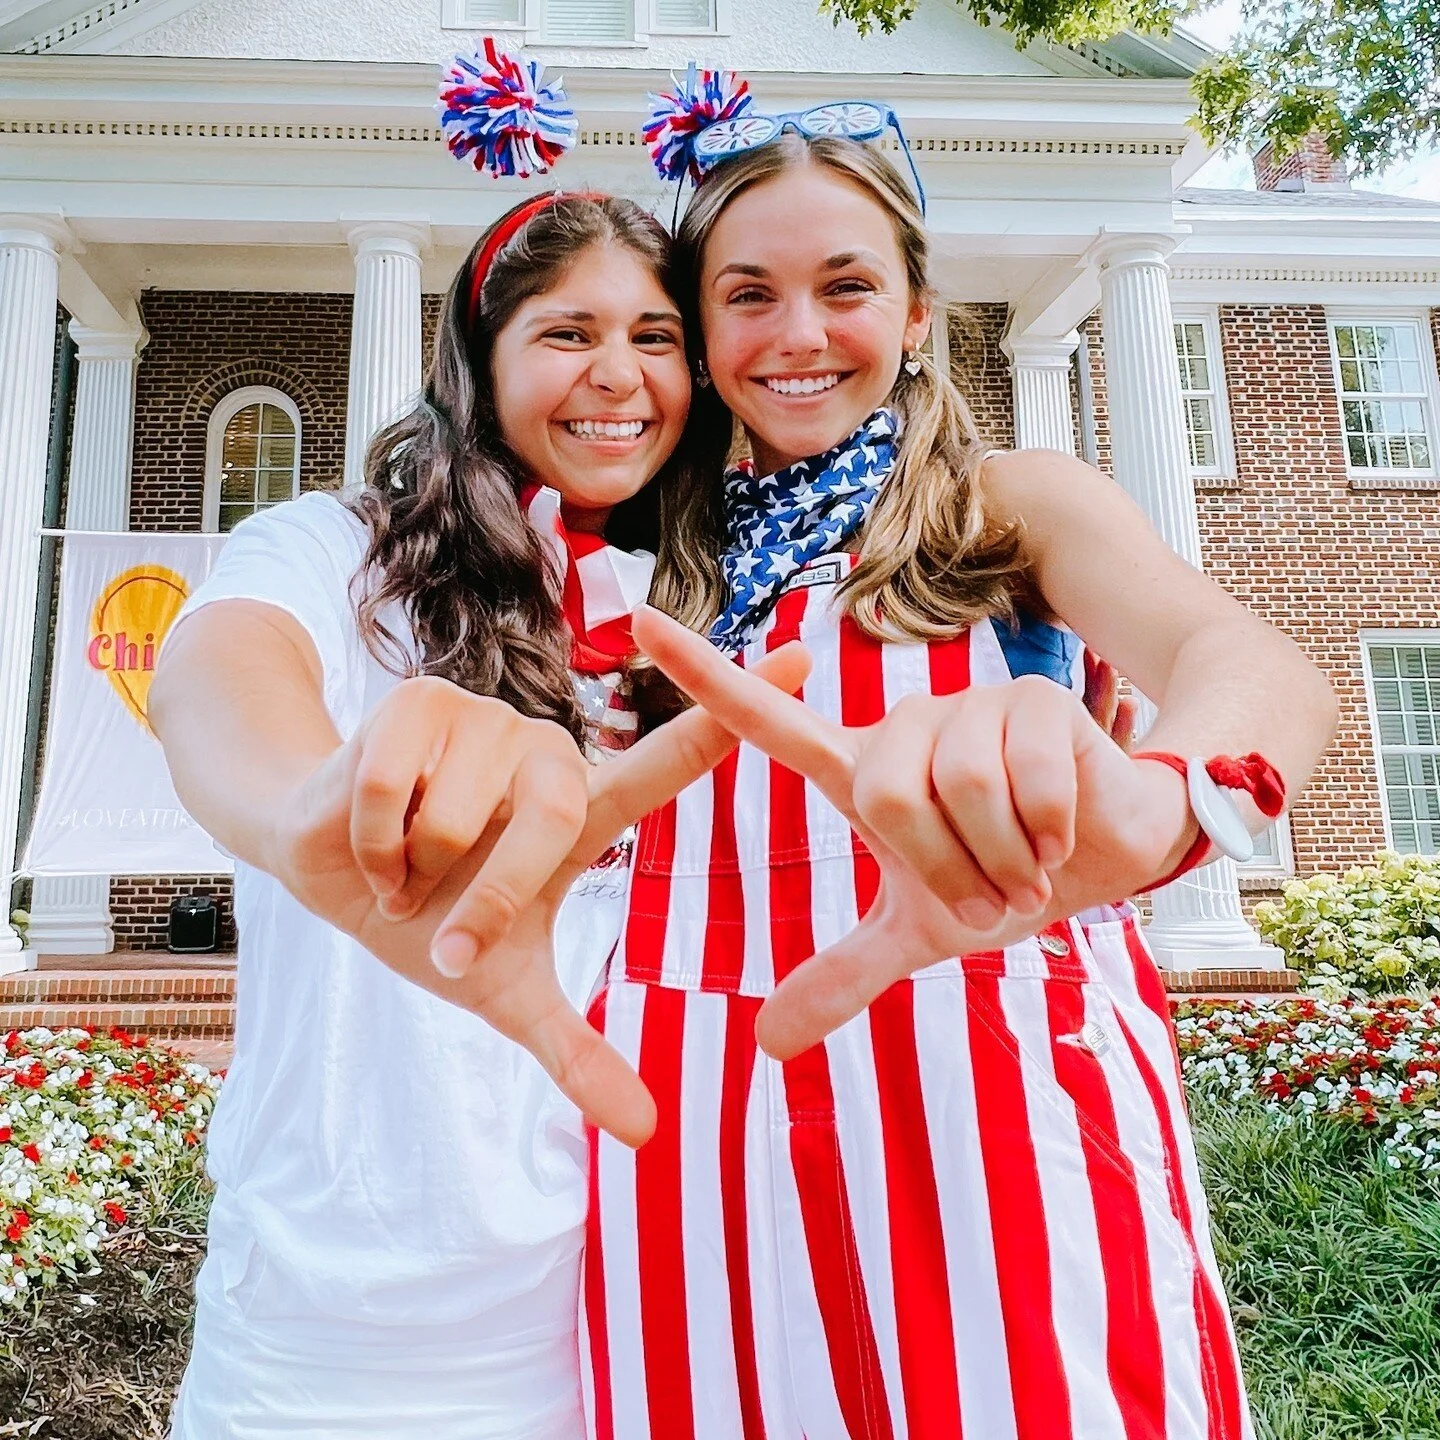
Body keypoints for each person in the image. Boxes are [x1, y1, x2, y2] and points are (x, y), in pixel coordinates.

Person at [580, 84, 1337, 1440]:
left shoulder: (1009, 505)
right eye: (748, 294)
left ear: (917, 313)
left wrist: (1170, 803)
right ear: (699, 326)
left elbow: (1256, 666)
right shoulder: (647, 559)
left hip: (985, 1086)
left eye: (847, 286)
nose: (798, 334)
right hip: (688, 1113)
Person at [151, 186, 807, 1440]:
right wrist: (304, 810)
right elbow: (216, 678)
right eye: (568, 332)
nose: (618, 374)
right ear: (481, 360)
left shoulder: (718, 627)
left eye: (656, 338)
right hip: (315, 1352)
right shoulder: (335, 556)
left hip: (627, 1333)